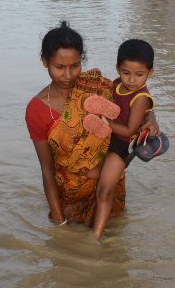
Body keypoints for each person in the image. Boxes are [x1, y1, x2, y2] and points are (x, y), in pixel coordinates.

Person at [25, 22, 159, 231]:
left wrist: (151, 119)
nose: (68, 76)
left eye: (75, 66)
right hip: (68, 200)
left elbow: (134, 100)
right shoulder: (37, 109)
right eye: (59, 67)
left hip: (109, 192)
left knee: (113, 246)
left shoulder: (93, 86)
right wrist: (59, 221)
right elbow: (47, 168)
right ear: (45, 61)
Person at [89, 39, 156, 241]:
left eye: (139, 74)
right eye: (126, 73)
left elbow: (129, 131)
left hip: (121, 145)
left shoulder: (141, 97)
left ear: (150, 73)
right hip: (106, 138)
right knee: (90, 176)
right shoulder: (117, 84)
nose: (132, 80)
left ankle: (95, 237)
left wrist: (104, 122)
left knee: (104, 190)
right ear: (118, 69)